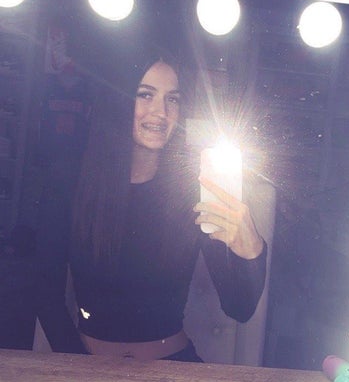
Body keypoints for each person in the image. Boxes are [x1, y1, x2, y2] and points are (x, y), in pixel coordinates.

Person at [34, 50, 267, 361]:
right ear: (118, 100)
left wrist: (251, 249)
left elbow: (240, 308)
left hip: (173, 368)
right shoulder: (71, 182)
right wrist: (81, 367)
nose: (161, 112)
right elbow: (44, 292)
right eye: (145, 95)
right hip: (86, 367)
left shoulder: (192, 191)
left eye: (172, 99)